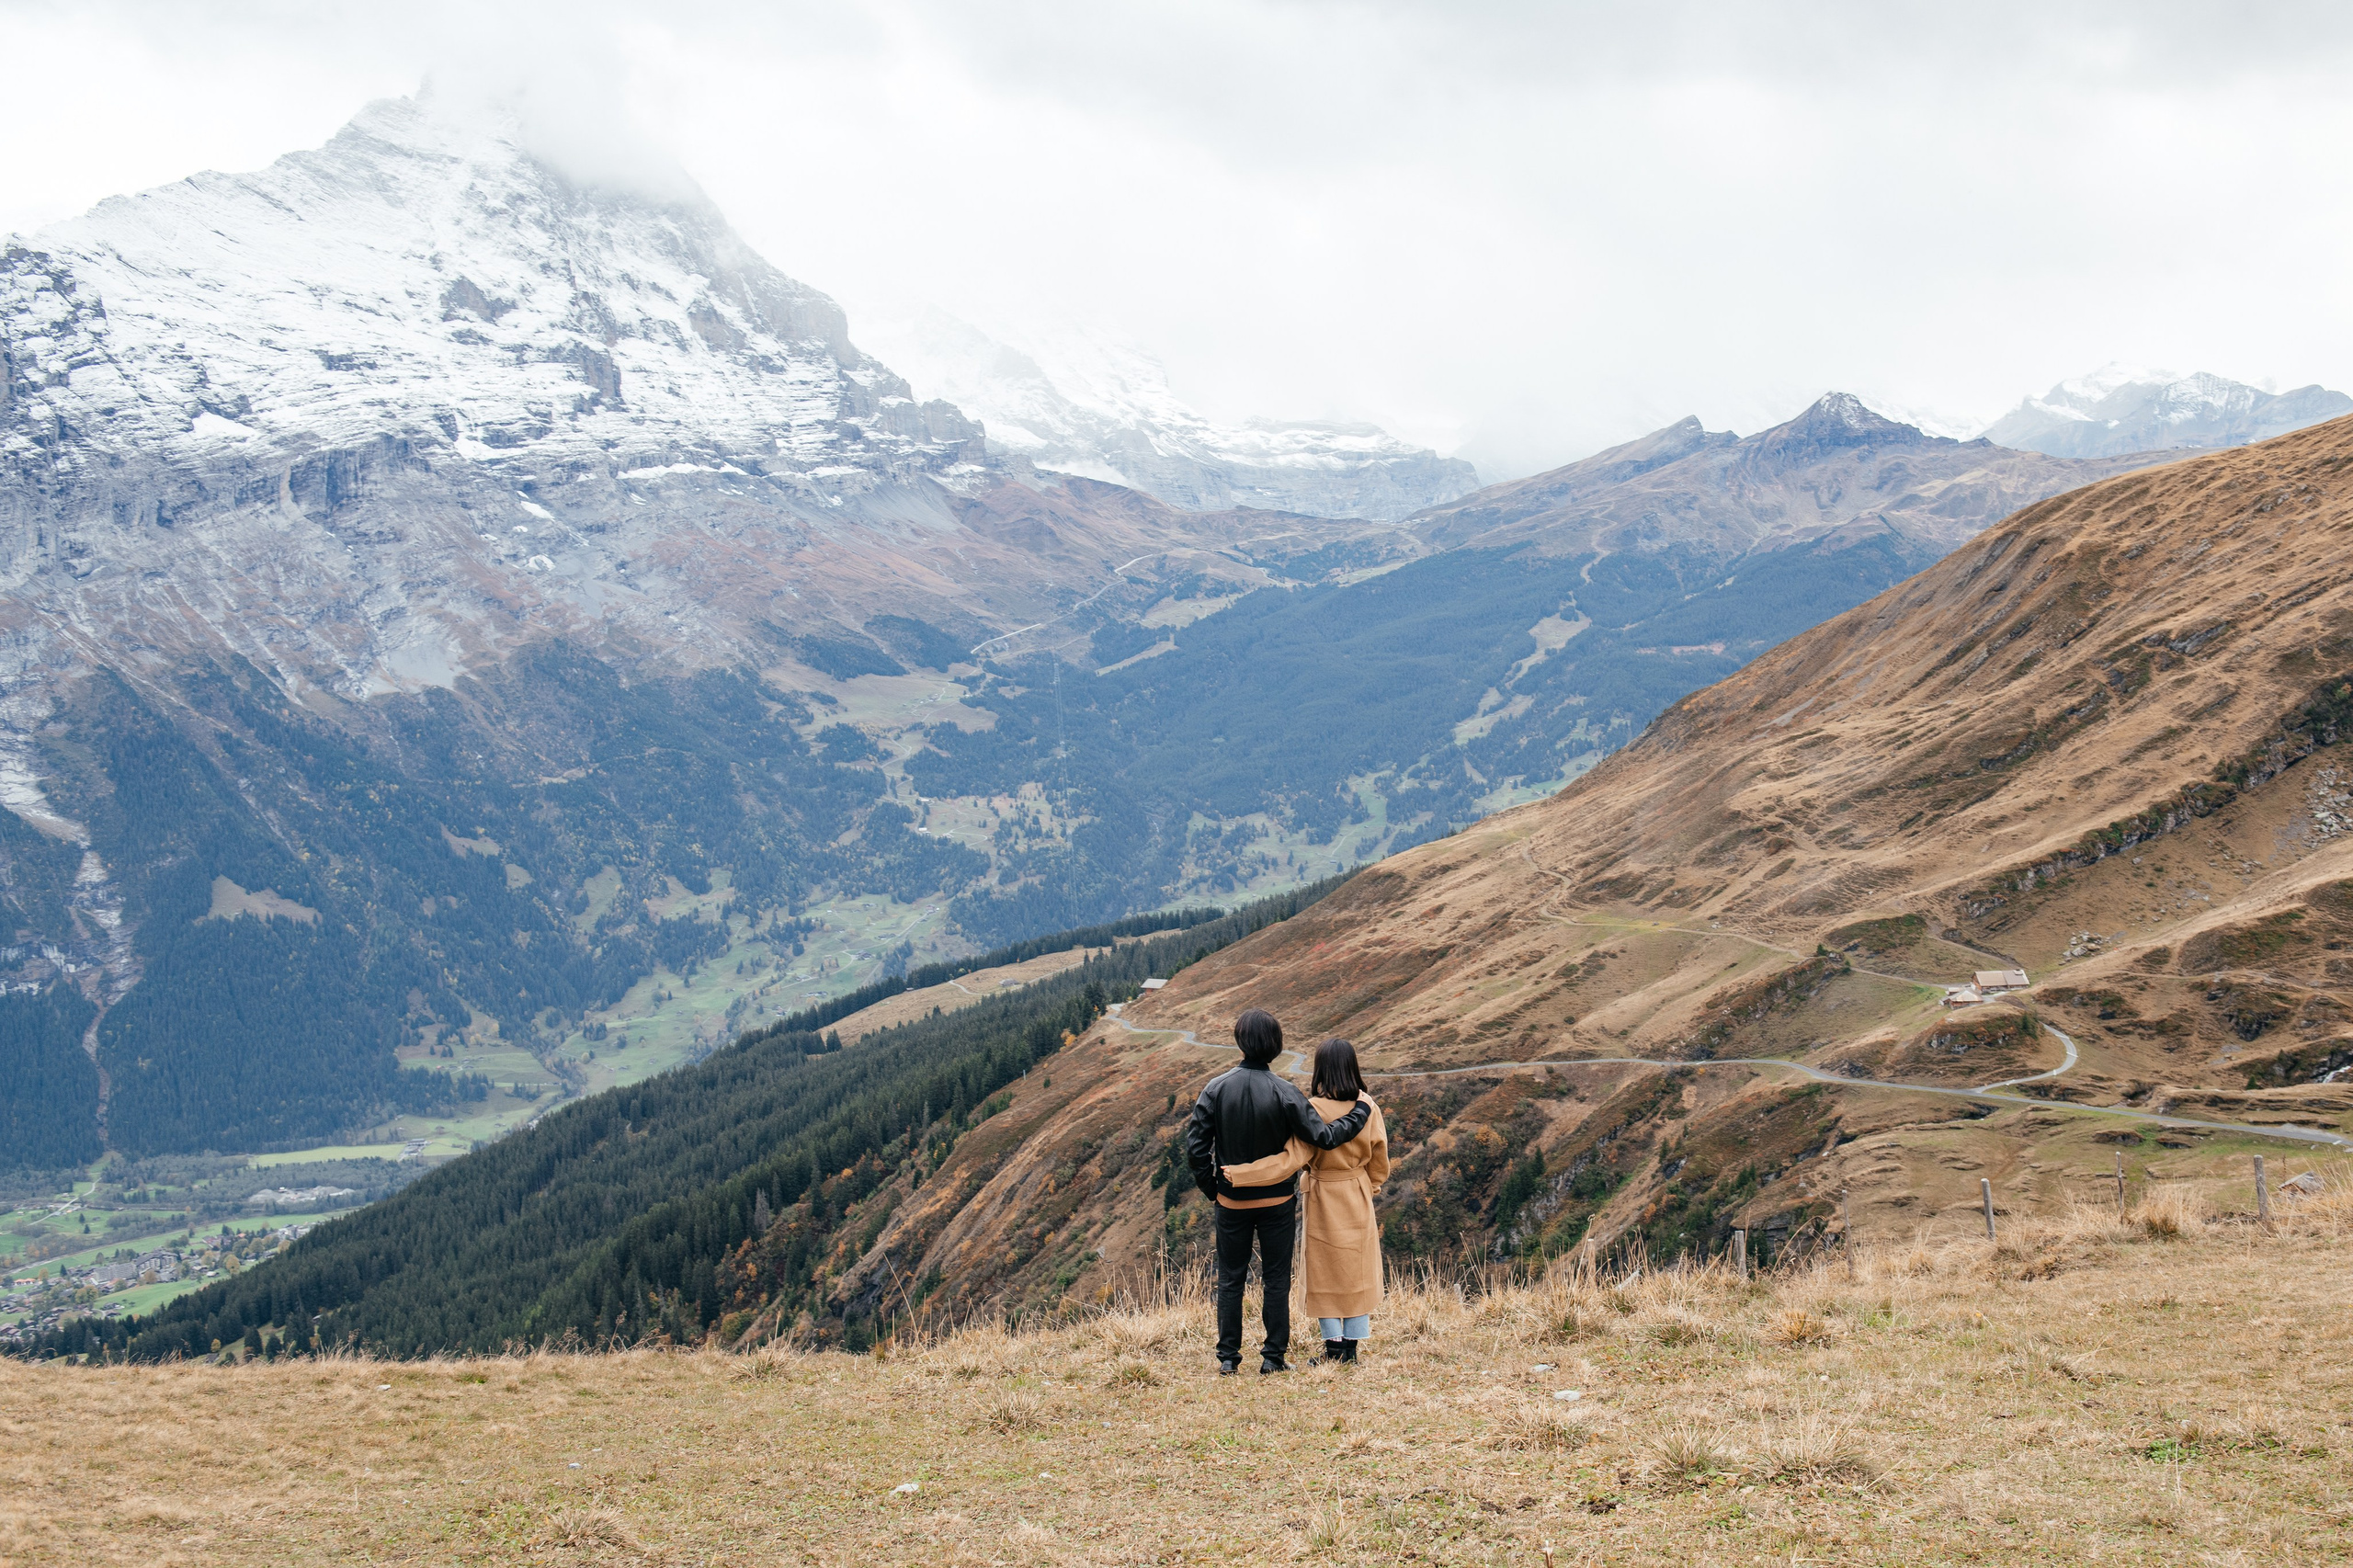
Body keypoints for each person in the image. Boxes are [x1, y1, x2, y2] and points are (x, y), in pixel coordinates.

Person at [1184, 1008, 1370, 1375]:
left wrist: (1214, 1189)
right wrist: (1361, 1110)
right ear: (1276, 1046)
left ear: (1240, 1041)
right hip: (1277, 1201)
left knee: (1231, 1278)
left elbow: (1195, 1148)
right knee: (1276, 1279)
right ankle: (1273, 1358)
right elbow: (1325, 1138)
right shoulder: (1287, 1092)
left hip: (1231, 1201)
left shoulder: (1216, 1088)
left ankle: (1228, 1359)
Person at [1219, 1038, 1388, 1365]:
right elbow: (1379, 1162)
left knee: (1324, 1272)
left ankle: (1333, 1349)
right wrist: (1370, 1187)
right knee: (1357, 1271)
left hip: (1323, 1193)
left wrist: (1242, 1174)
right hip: (1357, 1190)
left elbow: (1289, 1160)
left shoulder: (1313, 1108)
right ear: (1353, 1066)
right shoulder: (1369, 1106)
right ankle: (1351, 1351)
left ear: (1320, 1069)